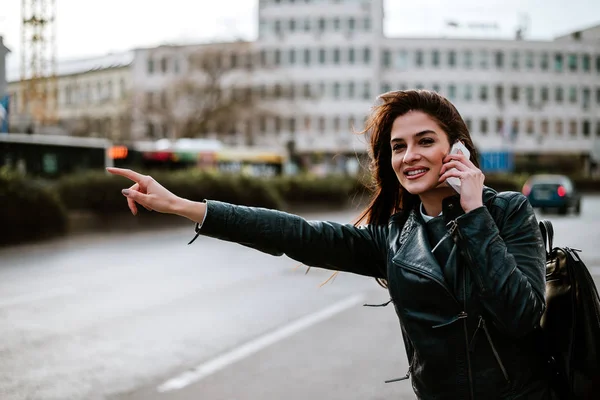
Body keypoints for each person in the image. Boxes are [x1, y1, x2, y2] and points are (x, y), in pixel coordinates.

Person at [107, 90, 551, 399]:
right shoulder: (396, 235)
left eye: (425, 141)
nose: (409, 155)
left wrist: (474, 212)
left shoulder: (505, 212)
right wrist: (184, 206)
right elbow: (297, 234)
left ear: (457, 149)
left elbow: (520, 315)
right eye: (398, 146)